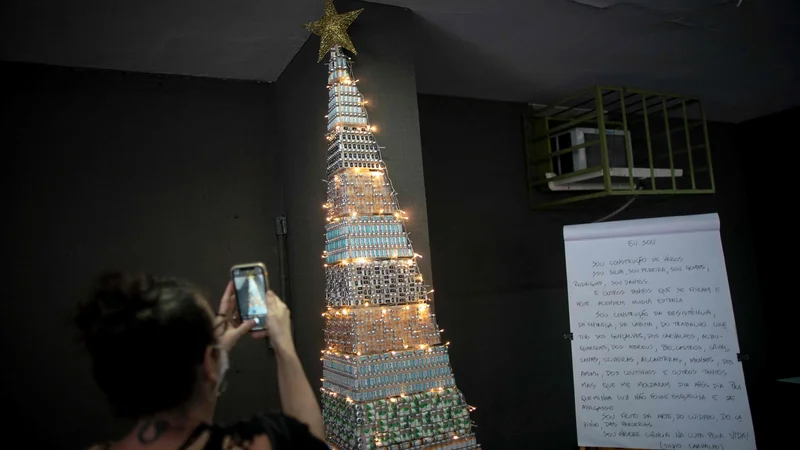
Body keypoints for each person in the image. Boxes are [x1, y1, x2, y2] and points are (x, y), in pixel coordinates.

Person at [76, 272, 328, 450]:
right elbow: (310, 442)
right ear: (209, 361)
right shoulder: (262, 442)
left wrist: (213, 358)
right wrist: (284, 347)